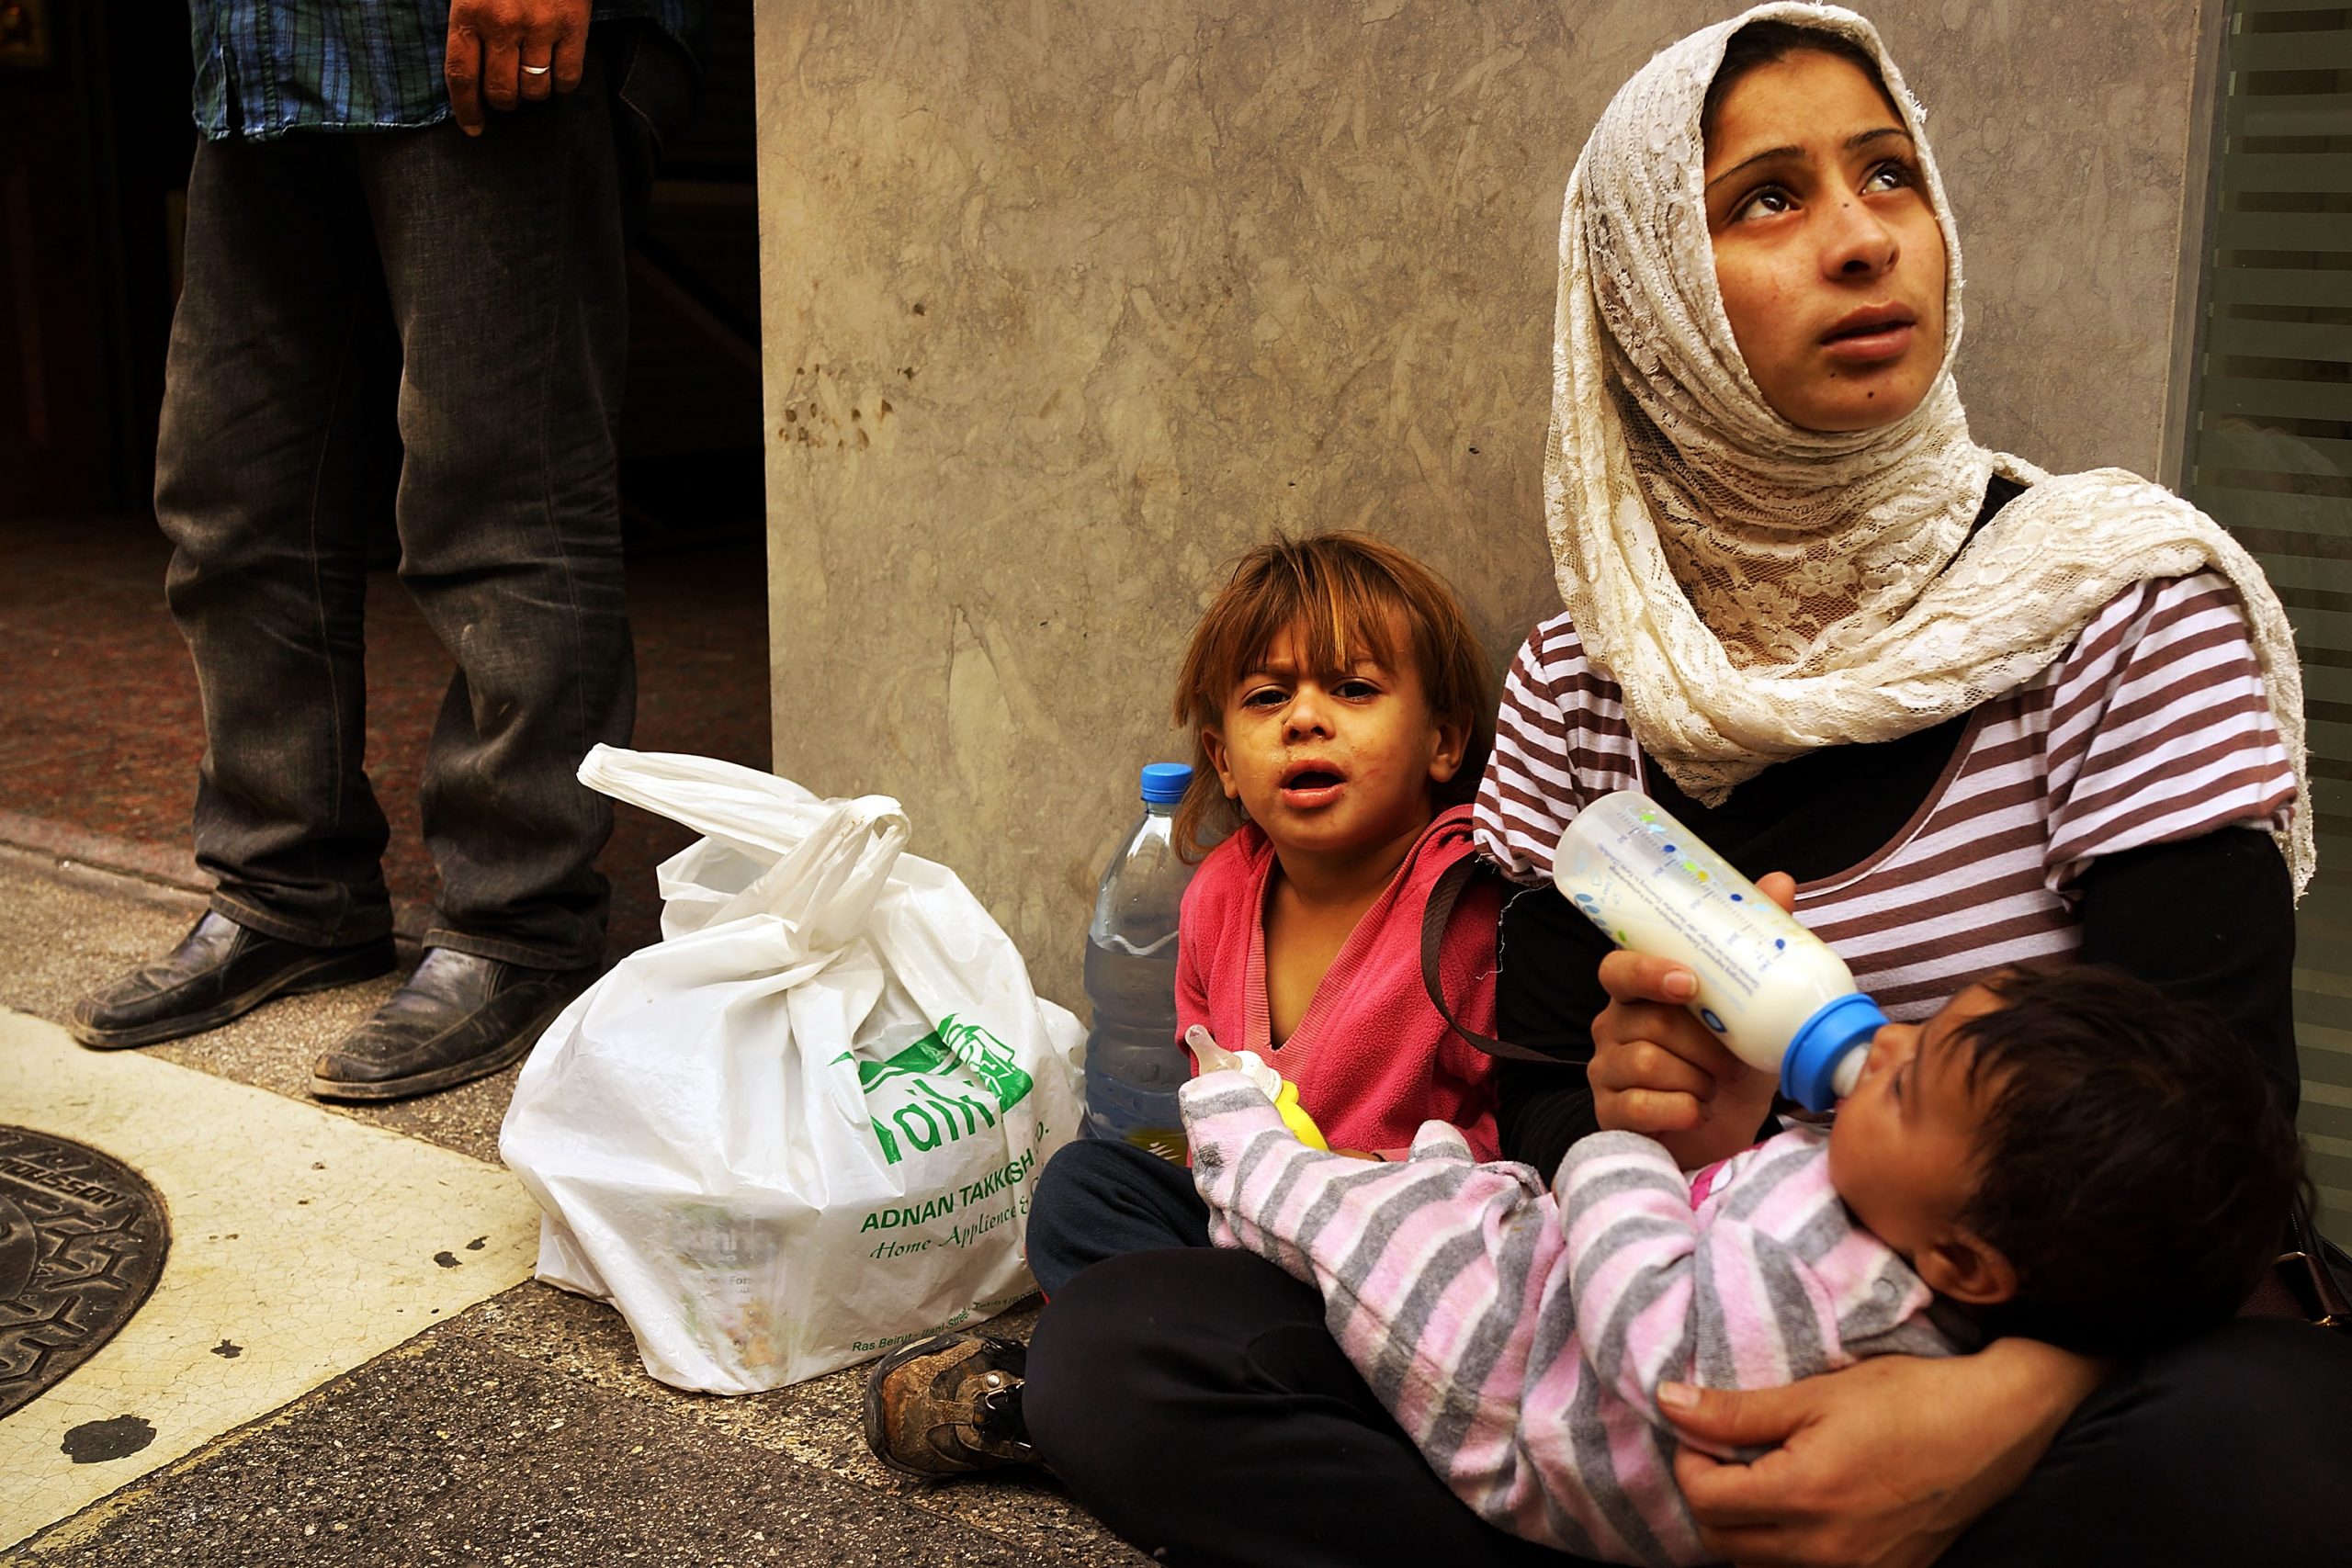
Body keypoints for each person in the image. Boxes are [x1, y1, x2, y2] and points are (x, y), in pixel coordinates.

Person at [1012, 7, 2352, 1566]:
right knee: (1125, 1358)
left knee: (2264, 1454)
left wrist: (1993, 1419)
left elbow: (2218, 1115)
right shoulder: (1590, 670)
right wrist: (1667, 1124)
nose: (1861, 241)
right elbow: (1533, 1103)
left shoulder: (2112, 606)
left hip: (2019, 1338)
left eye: (1889, 176)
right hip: (1658, 1332)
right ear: (1647, 301)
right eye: (1767, 198)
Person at [68, 1, 699, 1102]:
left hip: (478, 46)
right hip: (263, 64)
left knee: (498, 497)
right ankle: (288, 888)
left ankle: (521, 921)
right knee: (233, 496)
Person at [1180, 964, 2304, 1564]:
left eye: (1909, 1086)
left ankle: (1241, 1148)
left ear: (1962, 1262)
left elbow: (1658, 1342)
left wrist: (1616, 1155)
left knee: (1353, 1224)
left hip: (1525, 1370)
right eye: (1923, 1027)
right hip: (1579, 1264)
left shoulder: (1836, 1279)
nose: (1890, 1044)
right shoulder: (1907, 1210)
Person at [861, 531, 1506, 1478]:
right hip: (1254, 1250)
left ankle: (1128, 1406)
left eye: (1353, 690)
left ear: (1442, 740)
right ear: (1224, 759)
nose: (1305, 721)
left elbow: (1510, 1147)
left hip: (1408, 1270)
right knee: (1086, 1190)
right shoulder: (1218, 894)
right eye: (1266, 698)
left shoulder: (1471, 906)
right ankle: (1167, 1387)